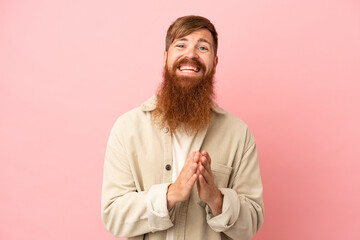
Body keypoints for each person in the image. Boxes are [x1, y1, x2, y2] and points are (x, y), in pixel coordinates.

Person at [101, 15, 264, 240]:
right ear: (166, 57)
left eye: (203, 47)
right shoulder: (127, 128)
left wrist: (216, 199)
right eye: (181, 45)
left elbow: (252, 221)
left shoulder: (239, 134)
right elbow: (113, 217)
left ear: (214, 63)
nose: (191, 54)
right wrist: (170, 195)